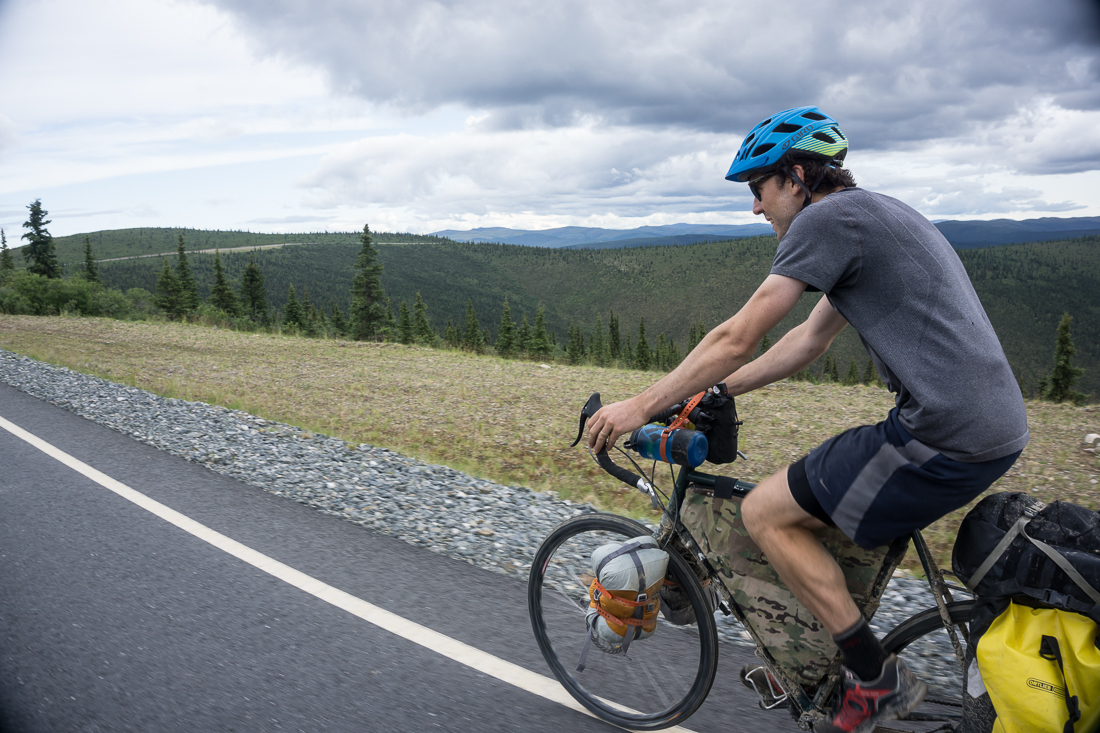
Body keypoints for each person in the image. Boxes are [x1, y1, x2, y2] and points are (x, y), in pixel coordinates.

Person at [586, 106, 1029, 733]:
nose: (755, 207)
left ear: (796, 177)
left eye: (758, 188)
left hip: (943, 433)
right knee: (812, 500)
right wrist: (716, 389)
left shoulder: (826, 220)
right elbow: (808, 341)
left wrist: (639, 406)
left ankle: (874, 683)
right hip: (986, 427)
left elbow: (738, 335)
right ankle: (814, 653)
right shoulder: (870, 214)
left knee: (767, 513)